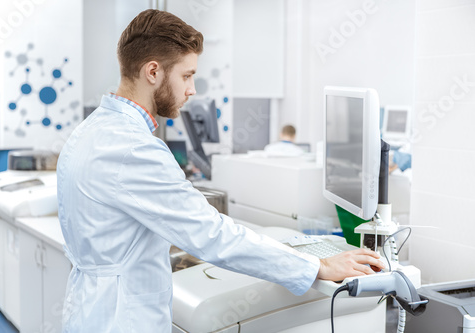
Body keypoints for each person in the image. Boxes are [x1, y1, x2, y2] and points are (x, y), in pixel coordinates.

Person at [57, 9, 384, 333]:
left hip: (90, 309)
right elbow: (212, 236)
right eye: (186, 75)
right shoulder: (134, 149)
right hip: (121, 318)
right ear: (153, 72)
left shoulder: (91, 131)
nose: (192, 89)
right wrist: (317, 266)